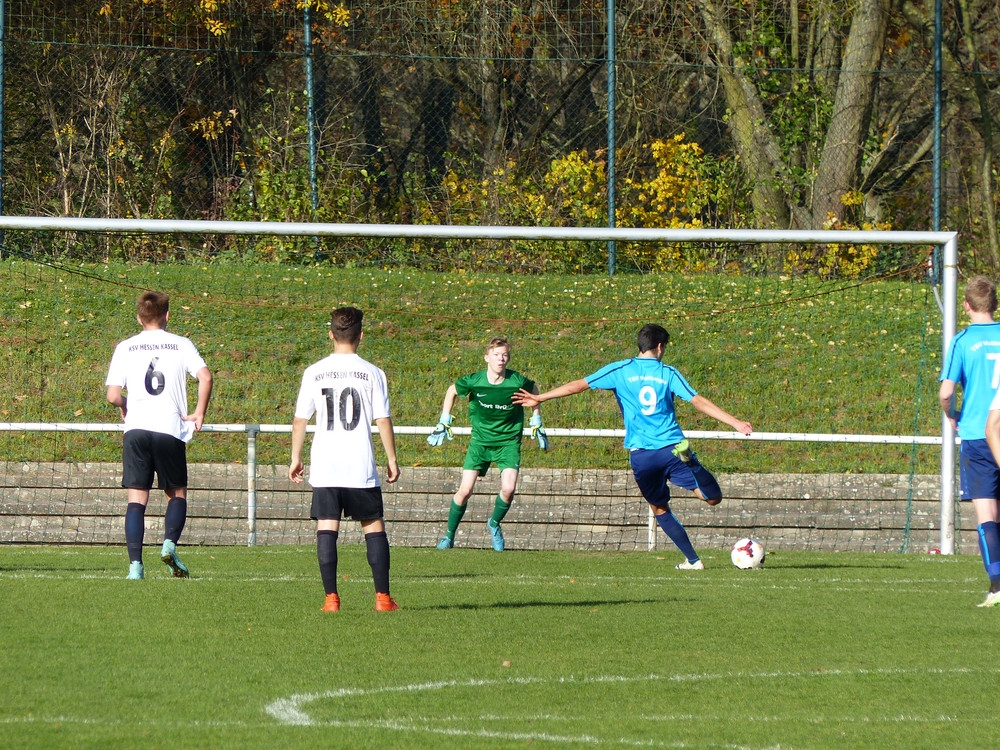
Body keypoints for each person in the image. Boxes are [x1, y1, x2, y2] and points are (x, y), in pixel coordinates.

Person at [512, 323, 751, 569]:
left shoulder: (620, 370)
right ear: (660, 347)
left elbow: (579, 385)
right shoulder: (668, 373)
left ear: (640, 345)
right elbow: (698, 400)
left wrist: (540, 397)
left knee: (659, 508)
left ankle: (694, 560)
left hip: (642, 455)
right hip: (672, 447)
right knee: (711, 498)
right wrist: (735, 422)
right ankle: (693, 464)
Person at [289, 306, 401, 612]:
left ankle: (331, 599)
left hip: (326, 465)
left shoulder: (314, 371)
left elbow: (300, 420)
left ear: (331, 335)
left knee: (327, 527)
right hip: (360, 464)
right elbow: (383, 419)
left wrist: (296, 457)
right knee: (373, 527)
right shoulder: (373, 372)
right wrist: (392, 458)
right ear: (361, 336)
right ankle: (383, 599)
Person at [105, 290, 213, 580]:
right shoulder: (181, 344)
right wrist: (199, 412)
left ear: (139, 318)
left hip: (136, 429)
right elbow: (206, 377)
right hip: (169, 428)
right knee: (176, 493)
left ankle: (135, 568)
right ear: (167, 315)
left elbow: (112, 396)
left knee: (136, 500)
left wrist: (126, 403)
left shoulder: (125, 347)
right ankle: (169, 545)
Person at [427, 336, 548, 551]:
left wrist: (536, 419)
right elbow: (452, 390)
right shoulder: (475, 381)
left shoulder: (516, 381)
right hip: (480, 442)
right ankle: (448, 536)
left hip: (508, 442)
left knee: (509, 489)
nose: (501, 359)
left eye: (505, 355)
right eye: (496, 354)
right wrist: (444, 420)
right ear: (486, 358)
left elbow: (534, 389)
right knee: (465, 490)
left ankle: (494, 523)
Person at [941, 275, 1000, 607]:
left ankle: (997, 585)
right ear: (994, 304)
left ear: (966, 305)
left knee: (987, 513)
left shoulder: (962, 341)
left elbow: (946, 392)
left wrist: (951, 414)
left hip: (978, 434)